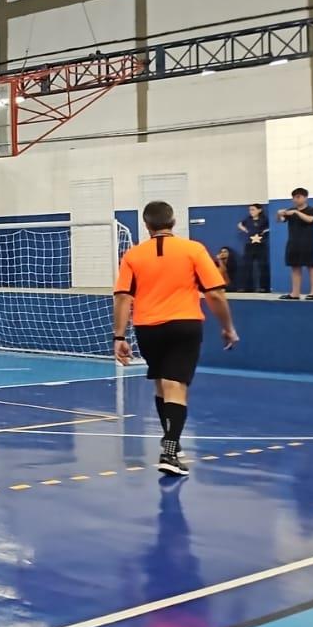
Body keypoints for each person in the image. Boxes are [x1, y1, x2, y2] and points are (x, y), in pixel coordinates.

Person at [112, 201, 239, 477]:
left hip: (147, 328)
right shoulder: (193, 249)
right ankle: (169, 451)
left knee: (162, 384)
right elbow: (215, 293)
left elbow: (123, 296)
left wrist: (118, 336)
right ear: (174, 222)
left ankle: (172, 442)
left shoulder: (133, 255)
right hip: (184, 325)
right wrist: (228, 326)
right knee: (176, 386)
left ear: (146, 226)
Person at [277, 188, 313, 300]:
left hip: (307, 243)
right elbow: (280, 220)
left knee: (311, 266)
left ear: (305, 197)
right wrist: (279, 214)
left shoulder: (311, 209)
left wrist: (296, 212)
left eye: (298, 197)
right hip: (293, 242)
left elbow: (310, 219)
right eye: (294, 197)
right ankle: (295, 293)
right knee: (295, 267)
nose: (295, 199)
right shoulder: (290, 210)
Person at [235, 203, 269, 294]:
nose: (251, 212)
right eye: (250, 210)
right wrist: (246, 230)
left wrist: (265, 231)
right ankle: (246, 287)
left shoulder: (264, 219)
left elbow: (271, 227)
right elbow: (239, 224)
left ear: (259, 210)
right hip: (249, 245)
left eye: (253, 209)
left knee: (262, 266)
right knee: (247, 266)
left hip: (261, 245)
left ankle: (264, 287)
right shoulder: (247, 220)